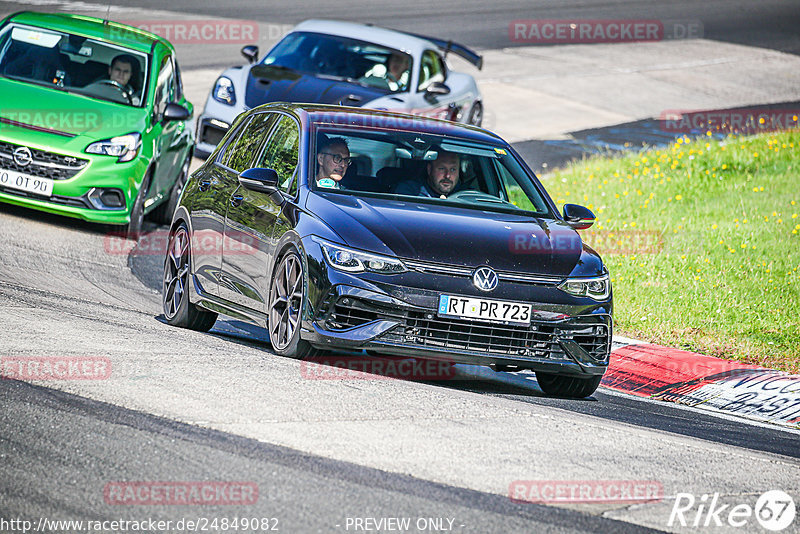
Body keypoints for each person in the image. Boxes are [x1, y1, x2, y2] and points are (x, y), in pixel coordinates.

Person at [394, 151, 460, 199]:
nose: (447, 175)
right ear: (429, 169)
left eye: (453, 169)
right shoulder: (410, 192)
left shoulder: (464, 195)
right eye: (441, 169)